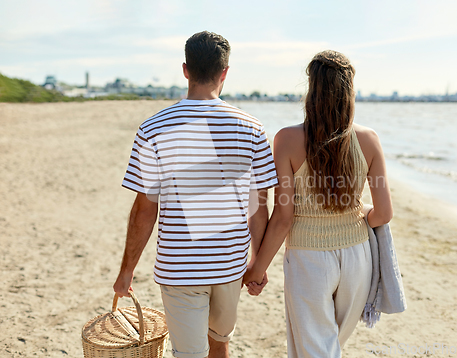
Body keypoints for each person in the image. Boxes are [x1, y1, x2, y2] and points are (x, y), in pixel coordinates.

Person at [113, 31, 278, 358]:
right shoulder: (252, 128)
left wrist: (126, 270)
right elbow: (259, 207)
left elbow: (145, 210)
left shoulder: (153, 128)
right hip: (230, 265)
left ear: (186, 69)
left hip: (180, 268)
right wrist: (258, 262)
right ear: (225, 72)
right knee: (220, 342)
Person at [243, 50, 393, 357]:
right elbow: (384, 213)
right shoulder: (370, 139)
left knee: (316, 349)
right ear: (349, 91)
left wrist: (258, 268)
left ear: (312, 90)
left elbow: (284, 216)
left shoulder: (286, 140)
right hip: (358, 258)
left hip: (308, 260)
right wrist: (359, 213)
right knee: (329, 347)